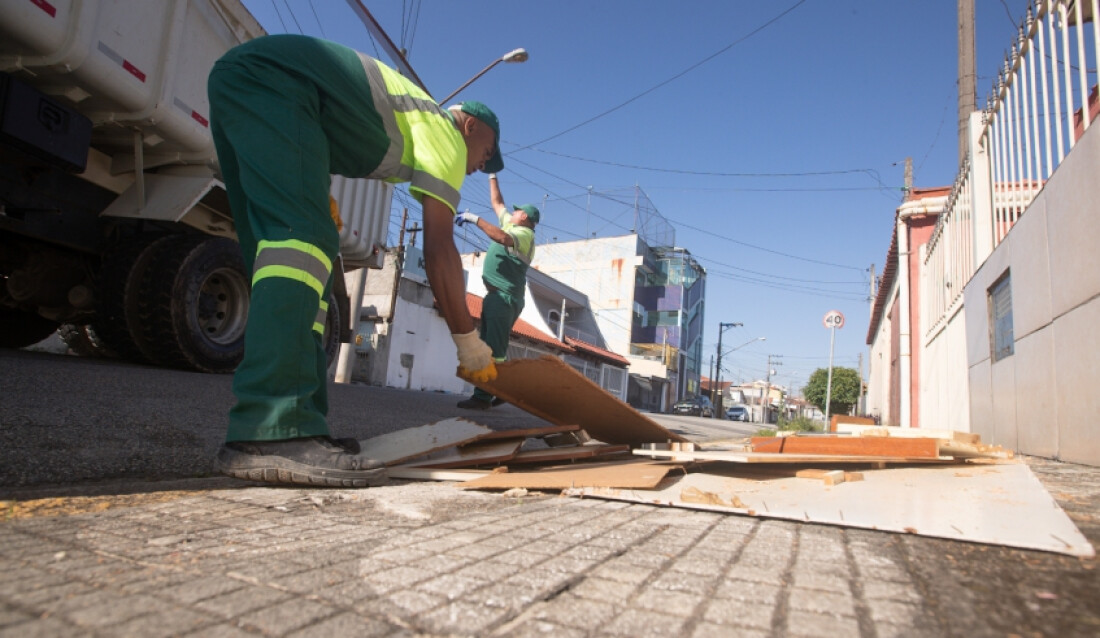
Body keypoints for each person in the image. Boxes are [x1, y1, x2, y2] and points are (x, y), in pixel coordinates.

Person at [206, 34, 499, 487]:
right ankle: (272, 430)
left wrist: (316, 191)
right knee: (301, 246)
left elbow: (319, 119)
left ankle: (299, 425)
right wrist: (468, 341)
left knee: (296, 259)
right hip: (274, 85)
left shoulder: (416, 120)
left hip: (253, 84)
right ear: (471, 128)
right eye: (486, 154)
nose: (480, 165)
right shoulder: (446, 135)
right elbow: (441, 248)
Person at [453, 174, 539, 410]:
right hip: (496, 296)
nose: (511, 212)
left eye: (517, 211)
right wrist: (492, 175)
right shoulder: (512, 224)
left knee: (493, 350)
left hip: (504, 297)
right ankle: (505, 389)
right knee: (490, 345)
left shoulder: (524, 235)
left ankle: (483, 397)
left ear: (524, 217)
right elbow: (497, 203)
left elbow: (501, 237)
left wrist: (473, 218)